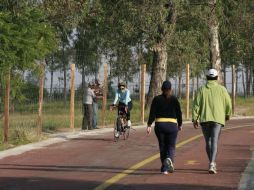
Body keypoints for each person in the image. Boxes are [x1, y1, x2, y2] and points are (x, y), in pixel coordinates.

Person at [192, 68, 232, 174]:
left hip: (205, 119)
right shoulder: (222, 89)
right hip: (217, 119)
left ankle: (211, 162)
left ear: (206, 77)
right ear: (217, 78)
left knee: (208, 142)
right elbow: (228, 103)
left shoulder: (201, 89)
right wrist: (228, 114)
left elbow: (196, 104)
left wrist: (194, 118)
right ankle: (212, 163)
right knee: (214, 141)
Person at [147, 80, 182, 175]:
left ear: (162, 89)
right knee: (171, 146)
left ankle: (164, 168)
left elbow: (152, 113)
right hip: (172, 125)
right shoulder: (174, 99)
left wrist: (149, 125)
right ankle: (169, 160)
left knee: (162, 146)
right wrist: (180, 124)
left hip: (160, 125)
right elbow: (179, 113)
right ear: (170, 89)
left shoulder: (156, 99)